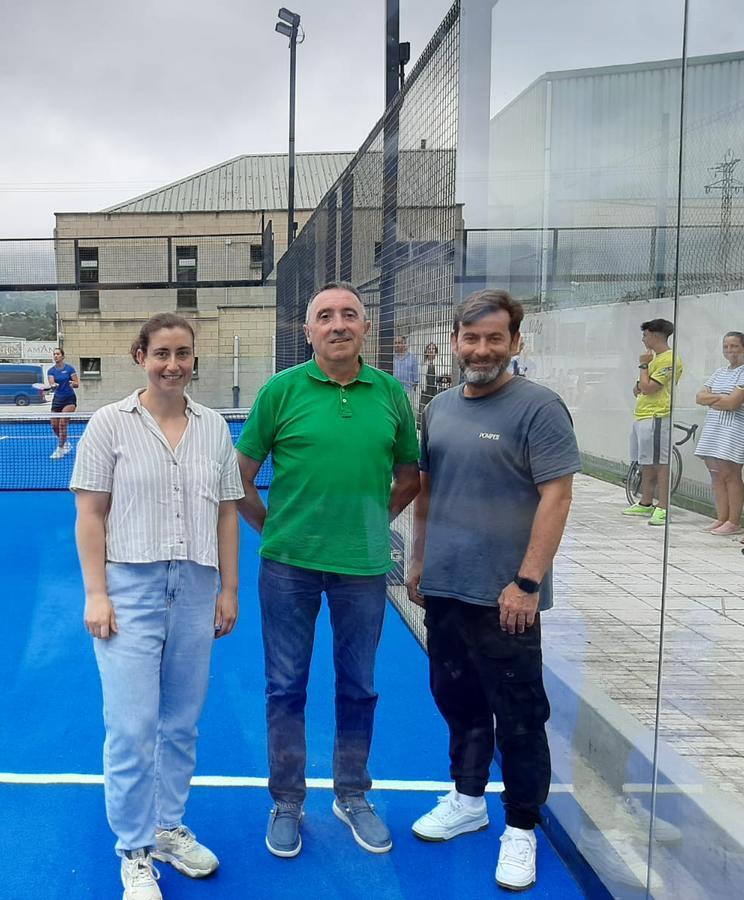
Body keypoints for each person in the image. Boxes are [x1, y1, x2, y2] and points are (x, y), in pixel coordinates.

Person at [235, 282, 420, 859]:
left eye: (349, 315)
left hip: (362, 569)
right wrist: (277, 530)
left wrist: (368, 524)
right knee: (285, 688)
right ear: (309, 331)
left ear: (365, 329)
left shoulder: (391, 394)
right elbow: (237, 477)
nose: (338, 324)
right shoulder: (280, 392)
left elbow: (410, 476)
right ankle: (287, 801)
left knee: (358, 686)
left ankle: (351, 795)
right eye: (325, 316)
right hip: (287, 568)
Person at [404, 288, 580, 893]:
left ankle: (522, 829)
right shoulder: (441, 408)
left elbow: (557, 496)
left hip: (507, 597)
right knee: (459, 703)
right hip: (447, 590)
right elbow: (427, 492)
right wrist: (420, 561)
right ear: (456, 342)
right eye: (471, 338)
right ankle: (468, 799)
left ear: (514, 343)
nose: (482, 349)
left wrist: (526, 582)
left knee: (522, 717)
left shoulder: (539, 408)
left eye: (494, 338)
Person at [71, 313, 243, 900]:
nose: (173, 364)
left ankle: (168, 827)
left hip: (196, 589)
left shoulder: (215, 427)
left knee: (182, 724)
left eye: (184, 353)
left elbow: (226, 512)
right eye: (162, 353)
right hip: (130, 591)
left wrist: (228, 589)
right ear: (140, 355)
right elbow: (90, 515)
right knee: (131, 727)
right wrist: (97, 593)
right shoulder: (107, 425)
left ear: (195, 359)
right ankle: (134, 851)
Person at [621, 318, 683, 526]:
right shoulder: (654, 359)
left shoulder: (669, 359)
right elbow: (637, 388)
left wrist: (643, 366)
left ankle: (663, 506)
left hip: (657, 416)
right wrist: (643, 376)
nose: (643, 339)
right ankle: (646, 501)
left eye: (645, 335)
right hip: (643, 415)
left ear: (656, 336)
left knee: (660, 462)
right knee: (645, 461)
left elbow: (647, 388)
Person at [695, 331, 744, 536]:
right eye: (726, 346)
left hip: (735, 429)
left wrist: (716, 398)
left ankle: (734, 521)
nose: (730, 351)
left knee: (731, 474)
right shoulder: (719, 372)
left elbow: (733, 403)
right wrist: (722, 397)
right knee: (716, 474)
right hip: (714, 429)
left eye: (735, 346)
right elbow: (699, 397)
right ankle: (721, 517)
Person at [47, 348, 80, 459]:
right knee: (54, 426)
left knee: (62, 424)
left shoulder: (69, 369)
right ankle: (65, 443)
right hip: (57, 400)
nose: (56, 356)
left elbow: (77, 383)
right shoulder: (51, 371)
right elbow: (52, 383)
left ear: (62, 356)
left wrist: (73, 383)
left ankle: (60, 449)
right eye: (54, 354)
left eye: (58, 354)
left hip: (69, 399)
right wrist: (53, 386)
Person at [394, 334, 420, 401]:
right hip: (394, 392)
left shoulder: (412, 358)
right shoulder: (392, 358)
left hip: (408, 393)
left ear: (404, 344)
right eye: (395, 343)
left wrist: (411, 391)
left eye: (399, 343)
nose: (396, 345)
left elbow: (416, 378)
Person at [419, 341, 440, 421]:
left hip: (436, 390)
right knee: (424, 408)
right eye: (429, 348)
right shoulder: (423, 364)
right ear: (426, 351)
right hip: (425, 390)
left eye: (433, 349)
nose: (431, 350)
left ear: (436, 351)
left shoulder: (440, 363)